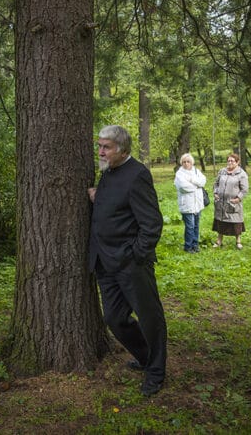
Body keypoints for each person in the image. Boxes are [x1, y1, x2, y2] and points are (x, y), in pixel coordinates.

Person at [88, 125, 167, 397]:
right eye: (99, 146)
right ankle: (145, 358)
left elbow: (152, 223)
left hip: (131, 263)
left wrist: (135, 255)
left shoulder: (138, 174)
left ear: (122, 149)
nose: (100, 151)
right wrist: (98, 197)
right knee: (114, 318)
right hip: (104, 261)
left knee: (149, 318)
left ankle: (156, 372)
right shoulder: (108, 171)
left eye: (106, 147)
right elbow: (116, 206)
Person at [212, 153, 249, 249]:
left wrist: (238, 198)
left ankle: (238, 241)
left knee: (236, 221)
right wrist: (215, 193)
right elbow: (216, 184)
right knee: (220, 220)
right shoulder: (222, 171)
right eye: (228, 160)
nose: (230, 162)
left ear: (237, 162)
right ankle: (219, 241)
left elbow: (244, 189)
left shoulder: (241, 174)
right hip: (221, 202)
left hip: (233, 202)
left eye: (232, 161)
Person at [174, 153, 207, 253]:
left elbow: (203, 181)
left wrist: (193, 180)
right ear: (181, 163)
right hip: (187, 204)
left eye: (188, 161)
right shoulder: (179, 174)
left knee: (196, 225)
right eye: (184, 162)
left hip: (197, 203)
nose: (186, 163)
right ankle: (188, 246)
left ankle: (195, 245)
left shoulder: (196, 171)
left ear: (192, 162)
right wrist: (196, 186)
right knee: (190, 226)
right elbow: (183, 187)